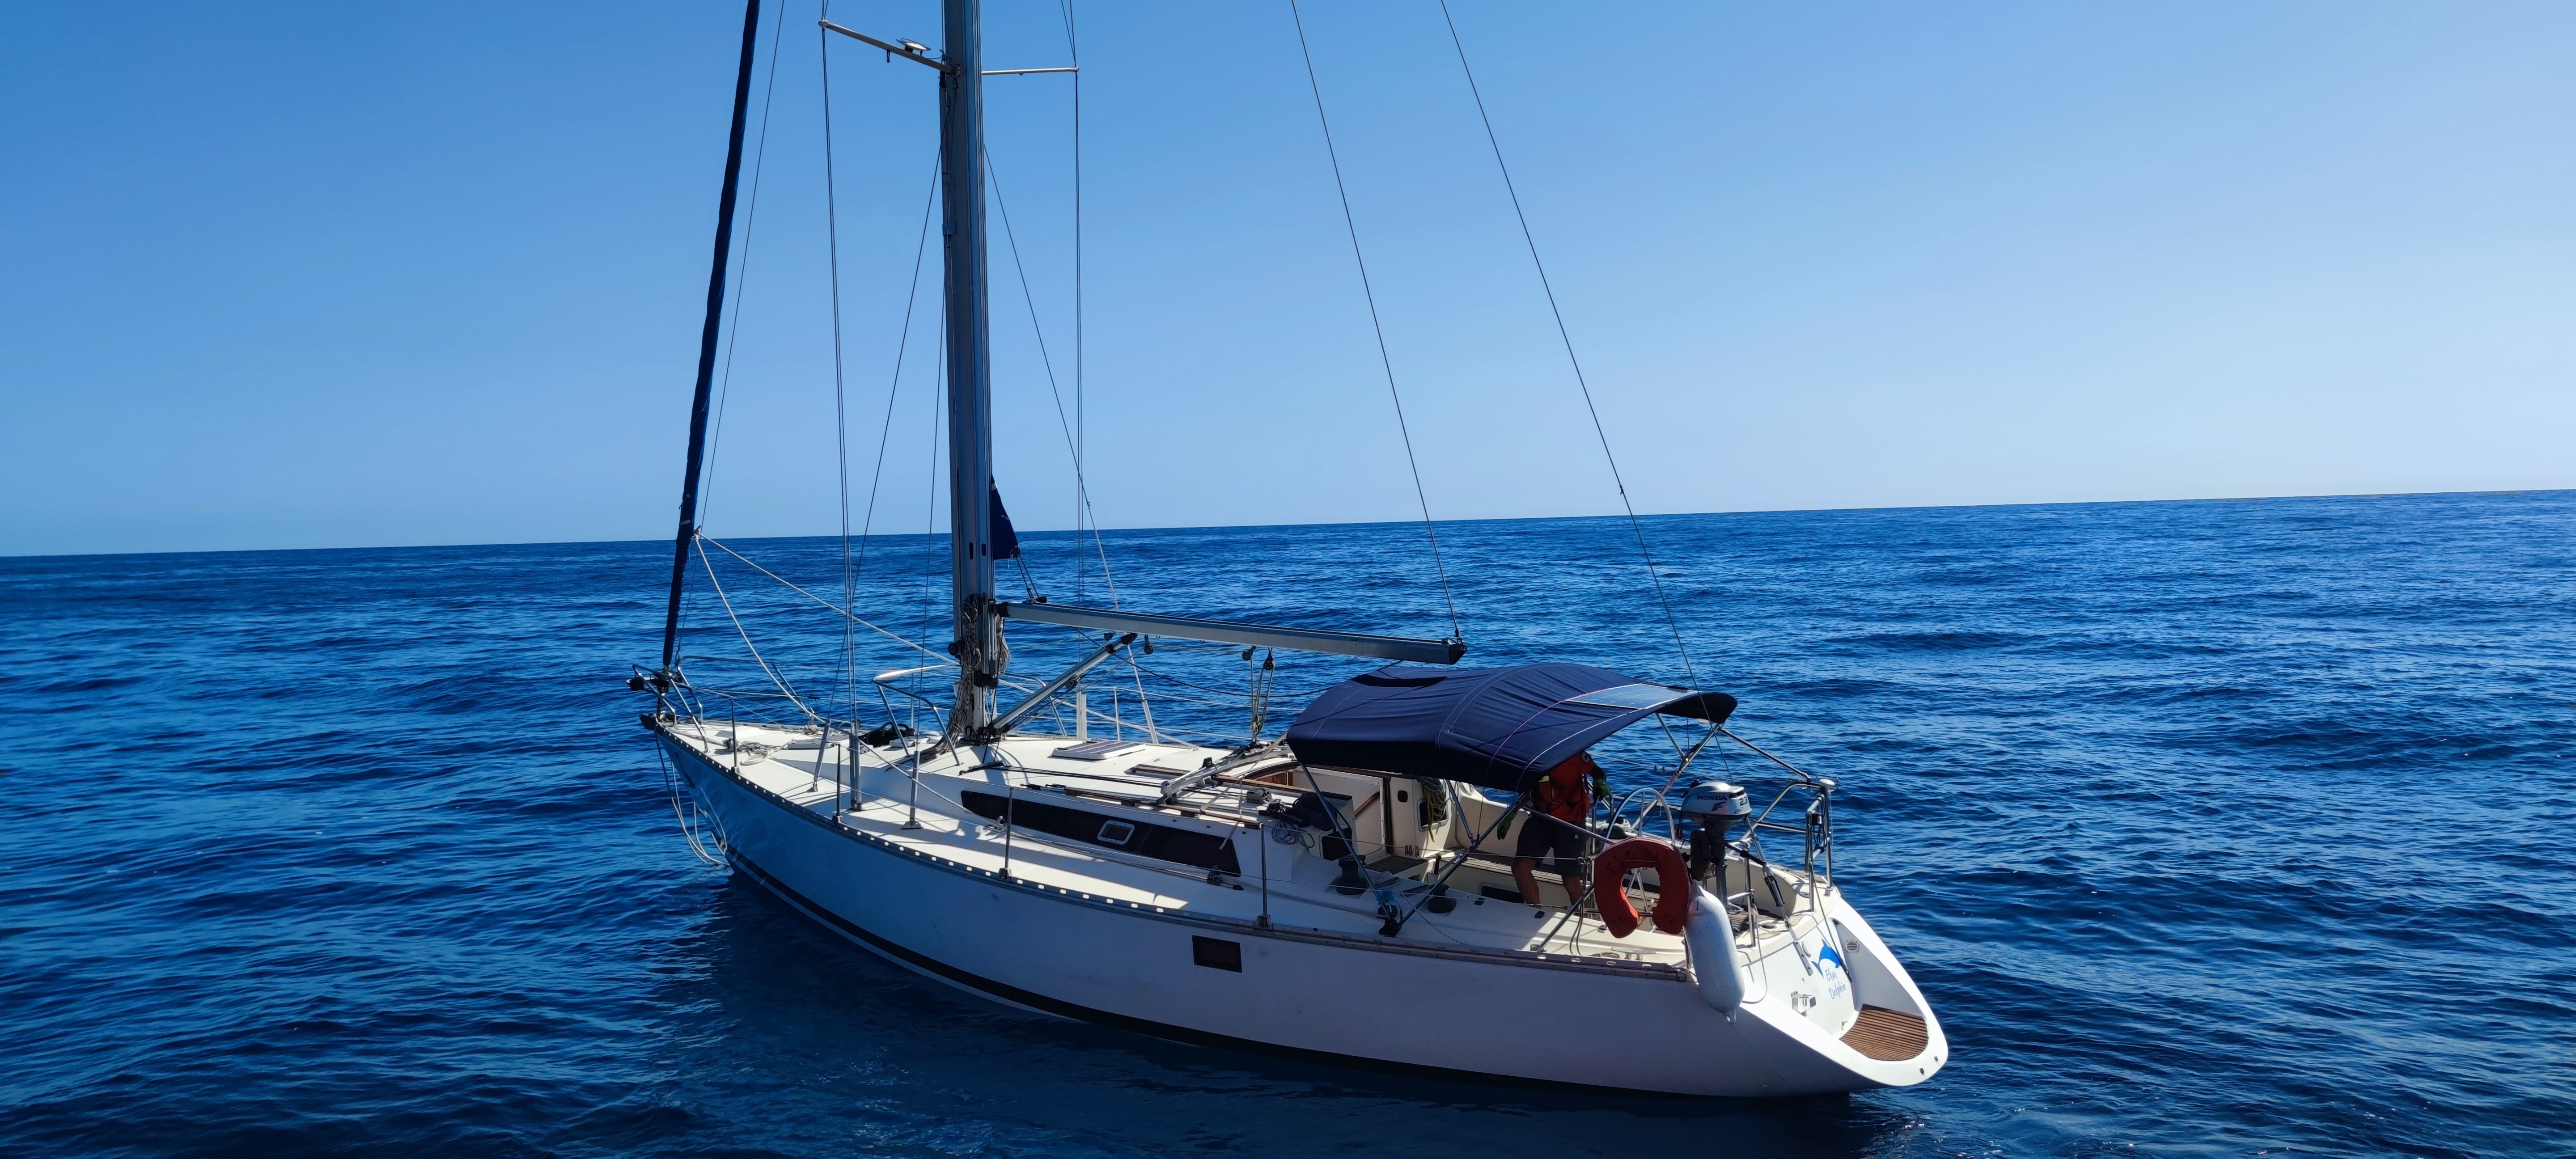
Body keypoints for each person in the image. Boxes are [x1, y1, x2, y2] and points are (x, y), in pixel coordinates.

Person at [1512, 750, 1601, 911]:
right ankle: (1535, 912)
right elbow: (1531, 789)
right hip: (1541, 818)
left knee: (1570, 879)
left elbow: (1598, 773)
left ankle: (1586, 919)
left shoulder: (1573, 753)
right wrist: (1511, 814)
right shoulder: (1533, 754)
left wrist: (1600, 783)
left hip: (1570, 823)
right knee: (1520, 867)